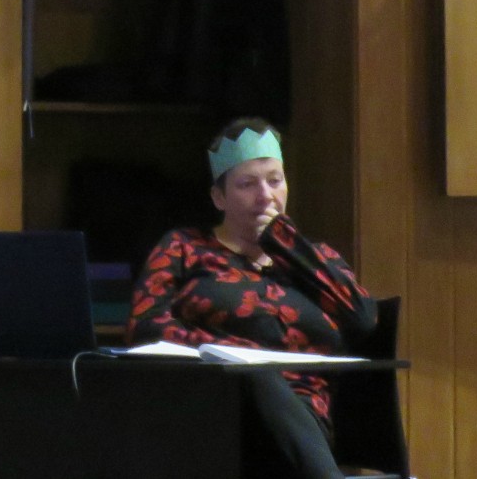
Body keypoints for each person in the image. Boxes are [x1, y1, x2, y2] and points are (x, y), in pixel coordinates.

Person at [128, 119, 377, 479]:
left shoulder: (314, 258)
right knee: (257, 375)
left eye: (275, 181)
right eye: (248, 184)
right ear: (219, 198)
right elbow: (146, 327)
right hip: (213, 408)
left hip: (304, 414)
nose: (266, 196)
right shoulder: (184, 247)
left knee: (274, 399)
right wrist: (234, 355)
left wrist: (286, 244)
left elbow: (364, 318)